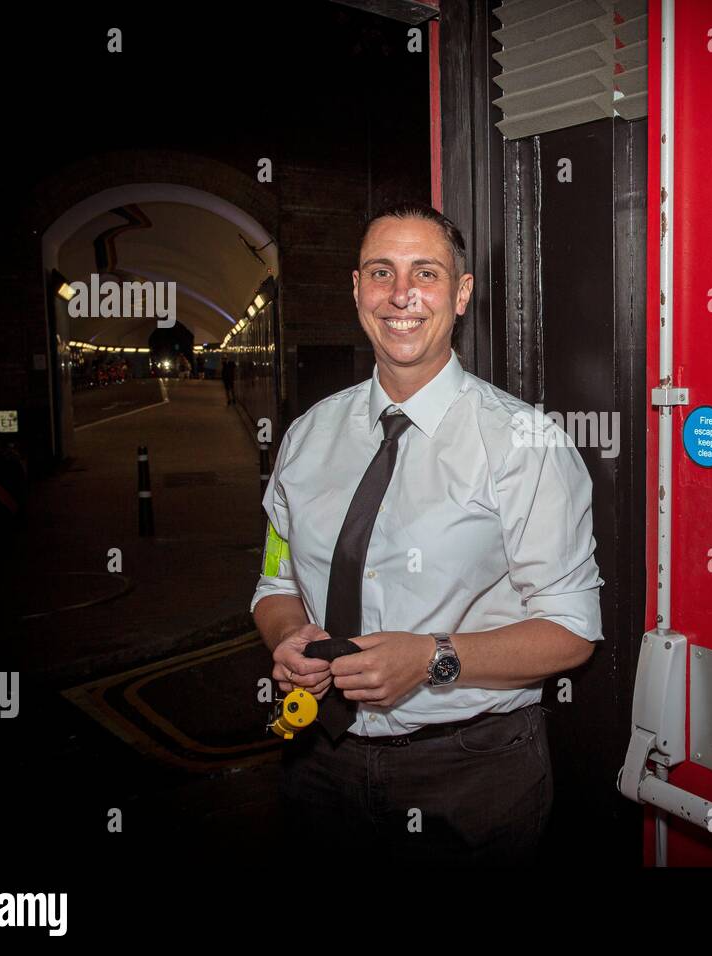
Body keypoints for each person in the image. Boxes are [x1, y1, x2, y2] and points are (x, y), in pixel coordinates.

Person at [251, 202, 604, 866]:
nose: (402, 295)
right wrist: (286, 638)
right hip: (317, 764)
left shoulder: (524, 445)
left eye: (427, 274)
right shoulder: (306, 438)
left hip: (470, 773)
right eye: (382, 272)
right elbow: (276, 583)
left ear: (462, 293)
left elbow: (573, 630)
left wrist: (432, 659)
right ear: (357, 290)